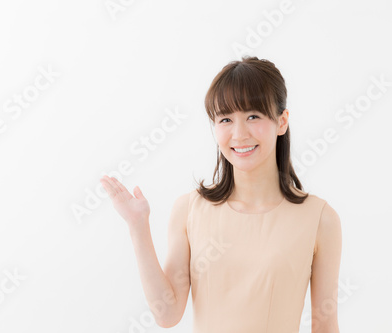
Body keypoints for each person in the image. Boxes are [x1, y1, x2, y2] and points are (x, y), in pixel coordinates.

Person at [99, 56, 342, 333]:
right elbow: (167, 314)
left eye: (253, 116)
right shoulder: (190, 210)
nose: (239, 134)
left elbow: (324, 325)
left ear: (282, 121)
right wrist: (137, 226)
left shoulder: (319, 219)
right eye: (226, 119)